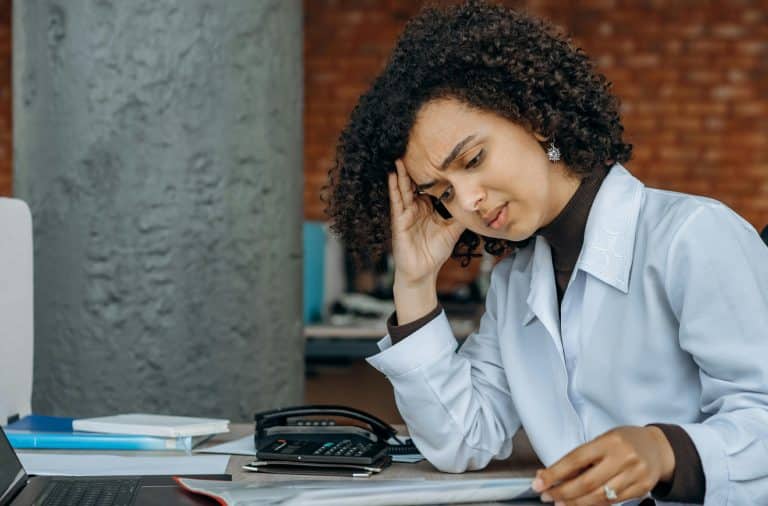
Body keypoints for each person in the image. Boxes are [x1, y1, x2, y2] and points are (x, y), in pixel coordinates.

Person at [324, 1, 768, 504]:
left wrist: (666, 451)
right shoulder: (517, 282)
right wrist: (414, 282)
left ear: (534, 117)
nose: (467, 201)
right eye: (442, 193)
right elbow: (461, 440)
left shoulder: (692, 236)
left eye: (473, 159)